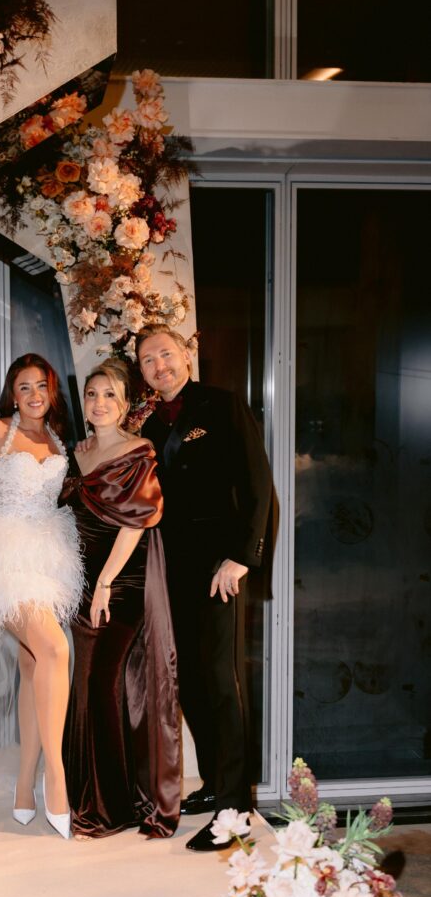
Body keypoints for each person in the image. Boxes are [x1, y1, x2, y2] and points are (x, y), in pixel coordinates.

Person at [136, 323, 272, 852]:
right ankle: (216, 781)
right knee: (188, 678)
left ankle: (236, 807)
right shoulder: (144, 421)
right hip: (167, 567)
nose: (160, 366)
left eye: (166, 355)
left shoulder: (222, 405)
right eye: (148, 360)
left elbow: (259, 483)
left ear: (186, 356)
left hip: (219, 568)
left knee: (220, 679)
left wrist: (242, 556)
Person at [0, 354, 83, 839]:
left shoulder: (57, 440)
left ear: (52, 393)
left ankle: (24, 785)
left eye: (42, 387)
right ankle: (57, 774)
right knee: (54, 647)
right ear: (12, 392)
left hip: (49, 557)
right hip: (2, 557)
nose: (34, 395)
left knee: (34, 665)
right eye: (24, 386)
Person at [62, 358, 181, 839]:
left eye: (109, 394)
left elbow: (135, 524)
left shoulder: (139, 450)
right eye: (92, 394)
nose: (99, 403)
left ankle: (113, 803)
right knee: (86, 683)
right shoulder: (78, 450)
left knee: (100, 679)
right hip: (81, 582)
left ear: (126, 404)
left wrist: (106, 583)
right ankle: (90, 795)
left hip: (123, 584)